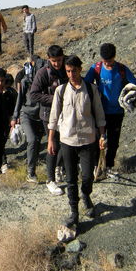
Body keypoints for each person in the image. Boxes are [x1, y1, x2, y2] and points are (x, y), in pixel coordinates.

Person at [48, 55, 106, 228]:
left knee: (88, 176)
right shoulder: (61, 90)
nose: (71, 74)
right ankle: (74, 212)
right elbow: (54, 116)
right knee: (71, 178)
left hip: (88, 139)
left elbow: (99, 114)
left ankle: (86, 195)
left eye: (74, 70)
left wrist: (102, 135)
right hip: (67, 140)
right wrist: (51, 139)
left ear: (80, 69)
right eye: (68, 71)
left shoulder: (91, 89)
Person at [84, 43, 136, 177]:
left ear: (114, 56)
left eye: (110, 61)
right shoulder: (96, 68)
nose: (108, 64)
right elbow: (86, 85)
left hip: (117, 112)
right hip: (99, 112)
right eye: (105, 61)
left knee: (114, 141)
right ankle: (96, 167)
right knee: (99, 140)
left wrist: (129, 95)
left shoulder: (121, 69)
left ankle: (108, 167)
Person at [29, 45, 68, 196]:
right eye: (54, 61)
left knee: (67, 143)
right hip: (48, 115)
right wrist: (55, 98)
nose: (57, 63)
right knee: (53, 145)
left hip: (66, 114)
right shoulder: (42, 73)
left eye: (59, 60)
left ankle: (60, 168)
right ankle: (50, 180)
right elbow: (34, 94)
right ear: (48, 59)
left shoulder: (67, 68)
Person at [11, 55, 47, 182]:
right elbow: (20, 98)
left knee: (37, 142)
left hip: (41, 115)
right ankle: (30, 172)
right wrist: (15, 117)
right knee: (32, 140)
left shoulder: (45, 80)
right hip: (26, 114)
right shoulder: (25, 81)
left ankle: (36, 165)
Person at [1, 73, 18, 173]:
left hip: (8, 119)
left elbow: (16, 106)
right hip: (5, 119)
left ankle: (3, 162)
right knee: (1, 141)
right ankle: (3, 162)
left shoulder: (11, 92)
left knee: (2, 141)